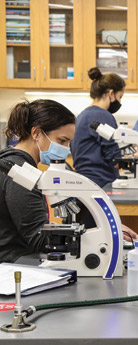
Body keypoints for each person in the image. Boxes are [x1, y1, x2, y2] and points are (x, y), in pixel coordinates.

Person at [0, 99, 76, 263]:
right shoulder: (20, 174)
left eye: (69, 142)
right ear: (36, 133)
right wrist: (95, 236)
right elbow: (40, 239)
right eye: (62, 141)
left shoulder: (13, 162)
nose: (65, 149)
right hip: (13, 265)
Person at [71, 67, 125, 188]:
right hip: (100, 184)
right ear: (111, 93)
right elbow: (115, 160)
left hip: (83, 184)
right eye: (120, 97)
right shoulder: (103, 116)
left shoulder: (82, 115)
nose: (120, 102)